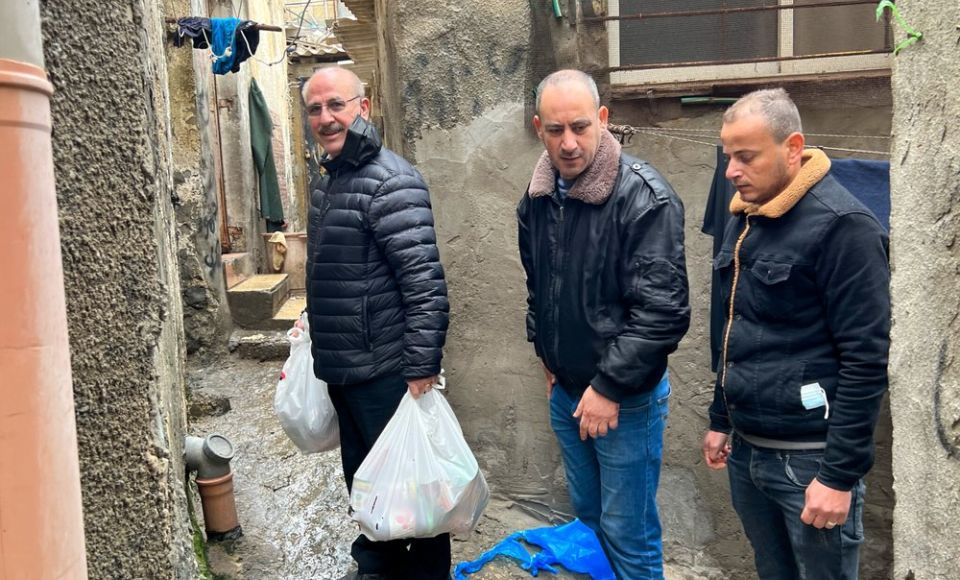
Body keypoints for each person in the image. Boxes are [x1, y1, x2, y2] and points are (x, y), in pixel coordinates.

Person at [701, 88, 890, 579]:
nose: (731, 172)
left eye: (746, 157)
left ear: (792, 147)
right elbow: (734, 328)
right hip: (748, 452)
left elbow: (866, 358)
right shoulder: (746, 216)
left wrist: (839, 476)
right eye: (728, 157)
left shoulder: (844, 227)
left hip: (811, 464)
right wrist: (722, 418)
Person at [517, 69, 690, 579]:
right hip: (568, 395)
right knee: (588, 526)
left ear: (604, 120)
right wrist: (545, 357)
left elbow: (663, 313)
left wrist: (609, 386)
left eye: (580, 126)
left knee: (628, 535)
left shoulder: (643, 197)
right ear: (538, 128)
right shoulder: (537, 198)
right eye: (554, 130)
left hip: (625, 402)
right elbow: (538, 287)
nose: (568, 143)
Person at [302, 67, 450, 580]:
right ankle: (377, 565)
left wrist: (421, 366)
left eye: (336, 105)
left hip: (386, 368)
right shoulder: (330, 180)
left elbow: (425, 283)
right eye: (316, 109)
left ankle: (426, 573)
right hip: (344, 367)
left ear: (362, 108)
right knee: (366, 479)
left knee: (412, 488)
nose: (326, 118)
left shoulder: (391, 180)